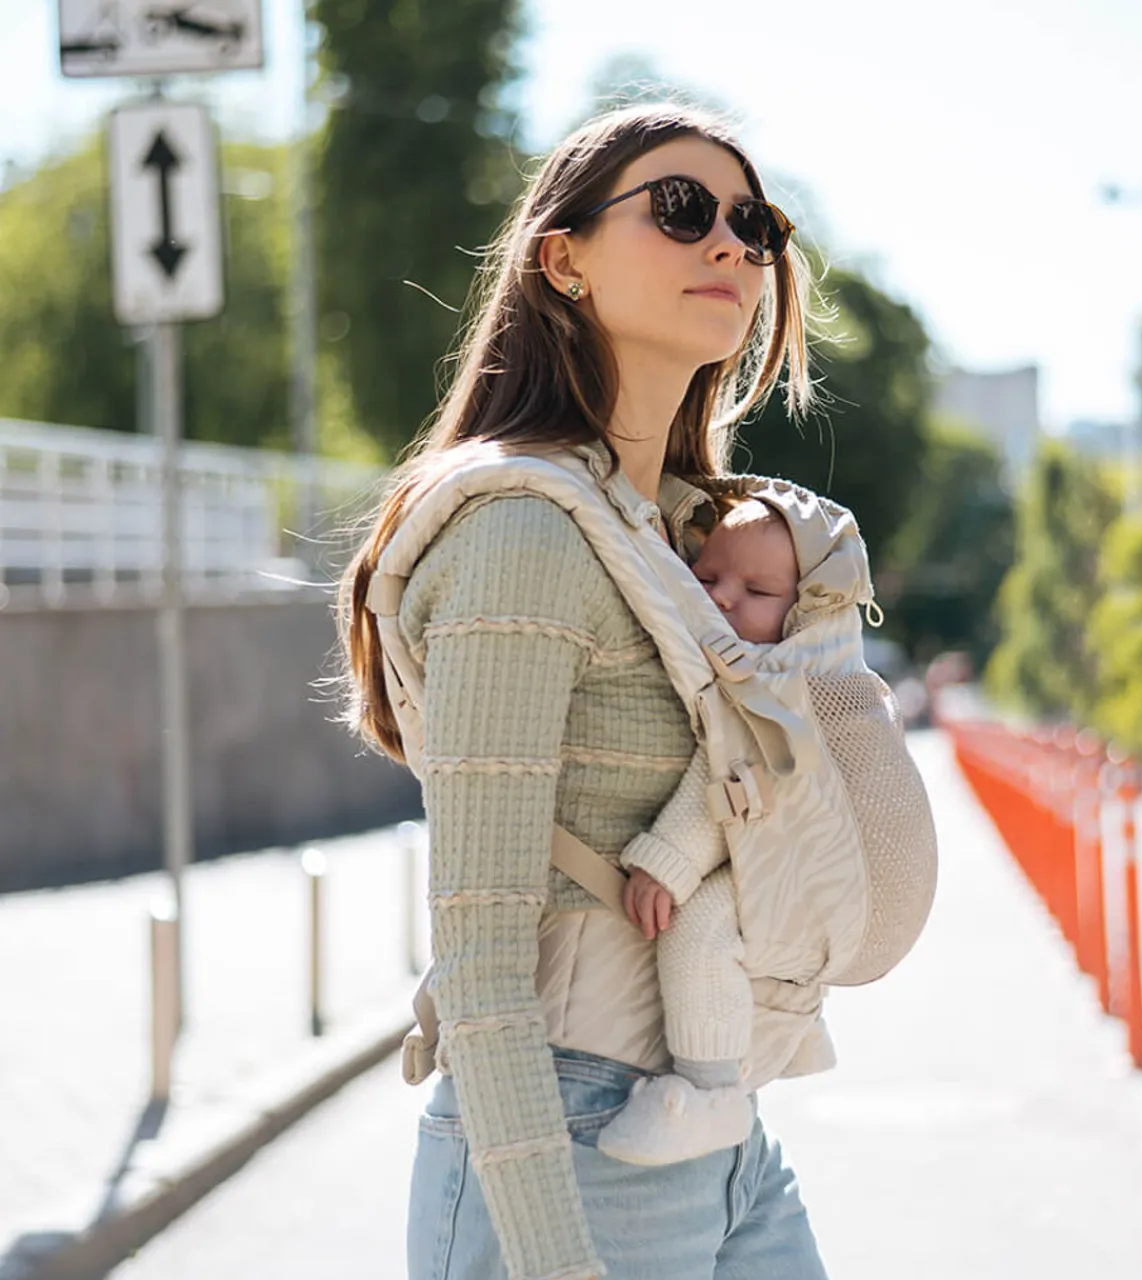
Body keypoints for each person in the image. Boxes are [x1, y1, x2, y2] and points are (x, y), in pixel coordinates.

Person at [339, 103, 829, 1280]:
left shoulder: (673, 539)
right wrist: (554, 1255)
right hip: (565, 1138)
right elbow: (481, 953)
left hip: (714, 1126)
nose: (730, 246)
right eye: (680, 210)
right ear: (560, 259)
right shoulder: (521, 529)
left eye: (751, 223)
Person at [598, 497, 806, 1168]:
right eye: (709, 576)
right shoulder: (738, 663)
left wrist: (667, 861)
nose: (722, 600)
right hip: (773, 864)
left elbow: (736, 772)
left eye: (757, 591)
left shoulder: (781, 678)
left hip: (792, 867)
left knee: (700, 927)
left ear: (803, 609)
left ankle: (709, 1093)